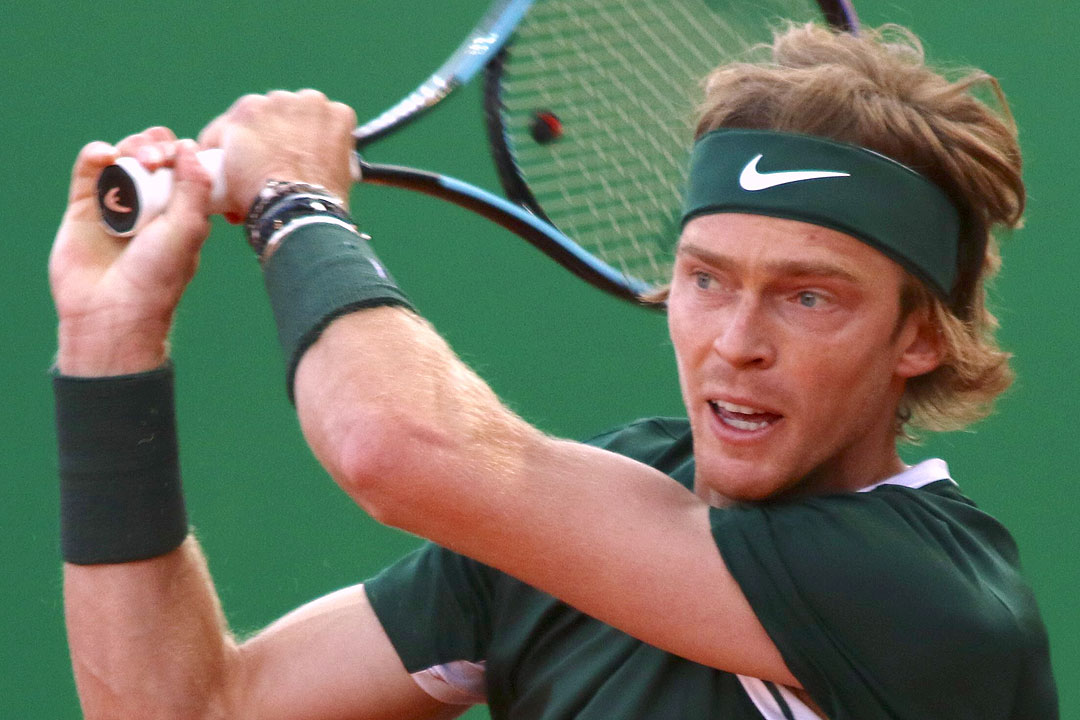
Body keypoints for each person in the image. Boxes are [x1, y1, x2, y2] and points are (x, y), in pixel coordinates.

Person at [50, 23, 1056, 720]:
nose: (737, 341)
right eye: (707, 279)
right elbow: (186, 708)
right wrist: (109, 340)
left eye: (809, 297)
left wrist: (295, 202)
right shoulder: (568, 535)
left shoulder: (933, 596)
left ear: (920, 336)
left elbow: (392, 448)